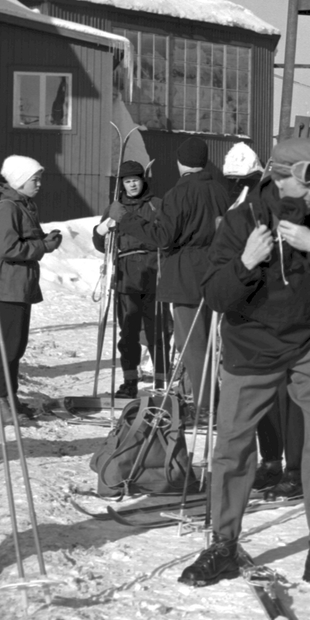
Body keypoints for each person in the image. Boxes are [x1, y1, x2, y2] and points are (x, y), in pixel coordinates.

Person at [182, 136, 310, 592]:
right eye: (307, 183)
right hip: (251, 344)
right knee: (233, 445)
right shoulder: (242, 220)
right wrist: (246, 263)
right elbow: (214, 295)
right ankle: (223, 546)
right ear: (279, 177)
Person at [115, 137, 230, 420]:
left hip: (186, 273)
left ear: (180, 162)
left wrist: (127, 220)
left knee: (191, 342)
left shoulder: (180, 192)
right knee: (208, 340)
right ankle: (200, 396)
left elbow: (163, 237)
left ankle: (205, 405)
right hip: (216, 271)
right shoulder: (220, 190)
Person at [222, 141, 298, 495]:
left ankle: (293, 468)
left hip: (285, 317)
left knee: (286, 397)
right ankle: (271, 462)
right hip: (250, 313)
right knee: (262, 398)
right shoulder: (241, 207)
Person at [0, 156, 62, 424]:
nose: (39, 184)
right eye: (34, 179)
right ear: (19, 181)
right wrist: (43, 246)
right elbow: (9, 249)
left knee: (16, 346)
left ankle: (10, 398)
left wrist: (44, 240)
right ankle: (0, 403)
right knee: (6, 347)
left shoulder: (23, 205)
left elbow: (24, 240)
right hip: (7, 286)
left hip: (19, 284)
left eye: (39, 179)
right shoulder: (8, 207)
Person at [93, 160, 168, 398]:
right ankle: (130, 381)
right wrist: (106, 226)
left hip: (154, 274)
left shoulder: (157, 205)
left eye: (135, 180)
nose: (132, 185)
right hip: (126, 277)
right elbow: (99, 243)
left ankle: (161, 382)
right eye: (127, 181)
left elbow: (168, 236)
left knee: (158, 331)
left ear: (143, 180)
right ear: (122, 184)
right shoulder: (115, 207)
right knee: (128, 332)